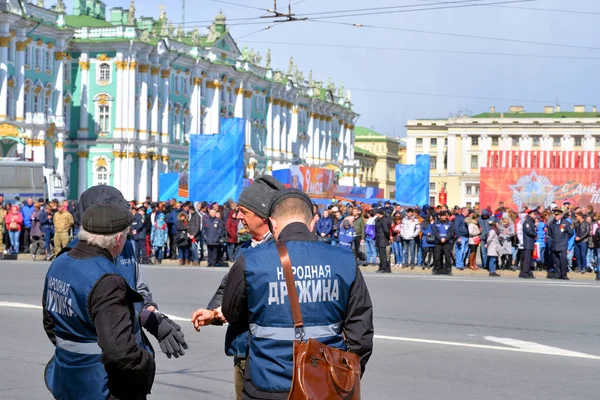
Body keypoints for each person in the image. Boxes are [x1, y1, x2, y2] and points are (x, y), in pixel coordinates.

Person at [221, 188, 374, 399]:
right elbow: (361, 328)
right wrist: (348, 373)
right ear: (312, 223)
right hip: (326, 383)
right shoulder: (344, 259)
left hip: (266, 381)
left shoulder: (251, 260)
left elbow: (230, 311)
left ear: (273, 223)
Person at [43, 203, 187, 400]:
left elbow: (50, 324)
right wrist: (146, 364)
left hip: (66, 378)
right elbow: (120, 352)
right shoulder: (107, 279)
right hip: (100, 385)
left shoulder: (60, 263)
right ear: (118, 239)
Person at [192, 175, 285, 400]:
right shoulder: (245, 248)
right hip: (244, 352)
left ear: (262, 215)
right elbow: (229, 288)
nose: (237, 216)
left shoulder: (283, 250)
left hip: (271, 355)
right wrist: (213, 312)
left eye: (243, 211)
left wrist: (223, 312)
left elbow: (262, 299)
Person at [547, 208, 573, 280]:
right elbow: (549, 233)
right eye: (555, 214)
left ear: (561, 215)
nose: (556, 216)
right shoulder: (552, 223)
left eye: (557, 215)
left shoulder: (566, 223)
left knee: (563, 260)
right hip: (554, 244)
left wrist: (565, 239)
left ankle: (564, 275)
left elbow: (571, 233)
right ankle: (557, 274)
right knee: (556, 261)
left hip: (562, 245)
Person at [432, 211, 455, 276]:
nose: (444, 217)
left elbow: (451, 232)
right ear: (440, 216)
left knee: (447, 257)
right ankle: (437, 269)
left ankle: (448, 270)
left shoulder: (450, 223)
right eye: (443, 216)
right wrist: (440, 238)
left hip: (447, 242)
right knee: (437, 256)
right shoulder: (436, 223)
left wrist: (445, 238)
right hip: (438, 242)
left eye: (445, 215)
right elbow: (435, 232)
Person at [520, 209, 538, 279]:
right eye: (534, 214)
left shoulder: (531, 222)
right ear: (530, 214)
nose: (535, 215)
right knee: (527, 259)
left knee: (529, 259)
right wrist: (535, 235)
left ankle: (527, 271)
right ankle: (524, 272)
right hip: (527, 243)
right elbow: (528, 231)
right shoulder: (527, 222)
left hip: (530, 242)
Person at [375, 208, 392, 273]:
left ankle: (384, 268)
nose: (376, 214)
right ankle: (381, 266)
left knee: (383, 254)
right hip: (379, 238)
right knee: (380, 254)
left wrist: (388, 237)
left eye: (377, 213)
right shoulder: (378, 220)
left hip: (383, 239)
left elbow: (386, 230)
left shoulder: (384, 220)